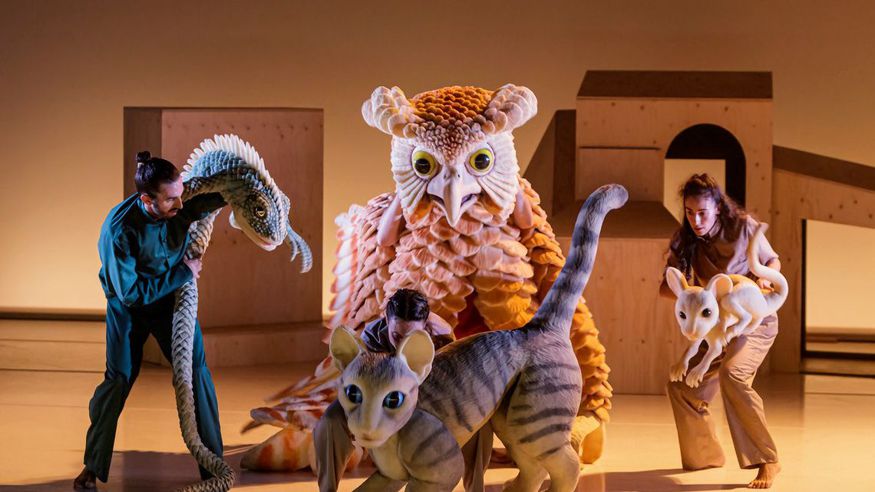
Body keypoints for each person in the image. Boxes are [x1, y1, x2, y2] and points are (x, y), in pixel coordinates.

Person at [74, 152, 227, 489]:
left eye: (180, 195)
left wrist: (236, 189)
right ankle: (92, 466)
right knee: (118, 380)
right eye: (170, 199)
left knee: (195, 372)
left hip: (169, 302)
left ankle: (213, 466)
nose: (180, 204)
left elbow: (201, 203)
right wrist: (184, 272)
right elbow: (131, 293)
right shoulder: (119, 231)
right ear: (147, 200)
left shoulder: (177, 201)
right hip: (129, 308)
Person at [660, 174, 782, 489]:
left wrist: (764, 279)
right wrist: (689, 292)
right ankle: (705, 456)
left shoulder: (743, 227)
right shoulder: (684, 240)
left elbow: (772, 260)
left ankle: (767, 459)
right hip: (716, 325)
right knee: (682, 387)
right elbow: (666, 287)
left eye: (702, 212)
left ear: (717, 207)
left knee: (733, 375)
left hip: (753, 319)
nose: (696, 220)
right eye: (690, 212)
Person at [314, 288, 456, 491]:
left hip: (423, 402)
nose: (402, 343)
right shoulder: (373, 335)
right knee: (330, 421)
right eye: (396, 335)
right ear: (387, 321)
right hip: (377, 399)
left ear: (425, 326)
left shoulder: (443, 337)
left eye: (411, 336)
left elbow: (448, 384)